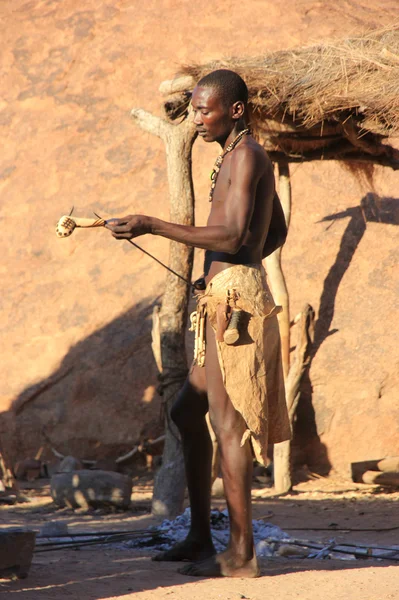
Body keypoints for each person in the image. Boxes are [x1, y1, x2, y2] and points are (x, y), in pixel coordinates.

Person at [107, 69, 291, 578]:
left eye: (203, 111)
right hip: (223, 295)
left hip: (234, 307)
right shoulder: (235, 156)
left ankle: (242, 555)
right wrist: (229, 269)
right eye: (193, 110)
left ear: (234, 110)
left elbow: (233, 234)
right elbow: (272, 229)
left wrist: (153, 224)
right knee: (189, 413)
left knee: (227, 427)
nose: (196, 119)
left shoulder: (249, 155)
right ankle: (199, 534)